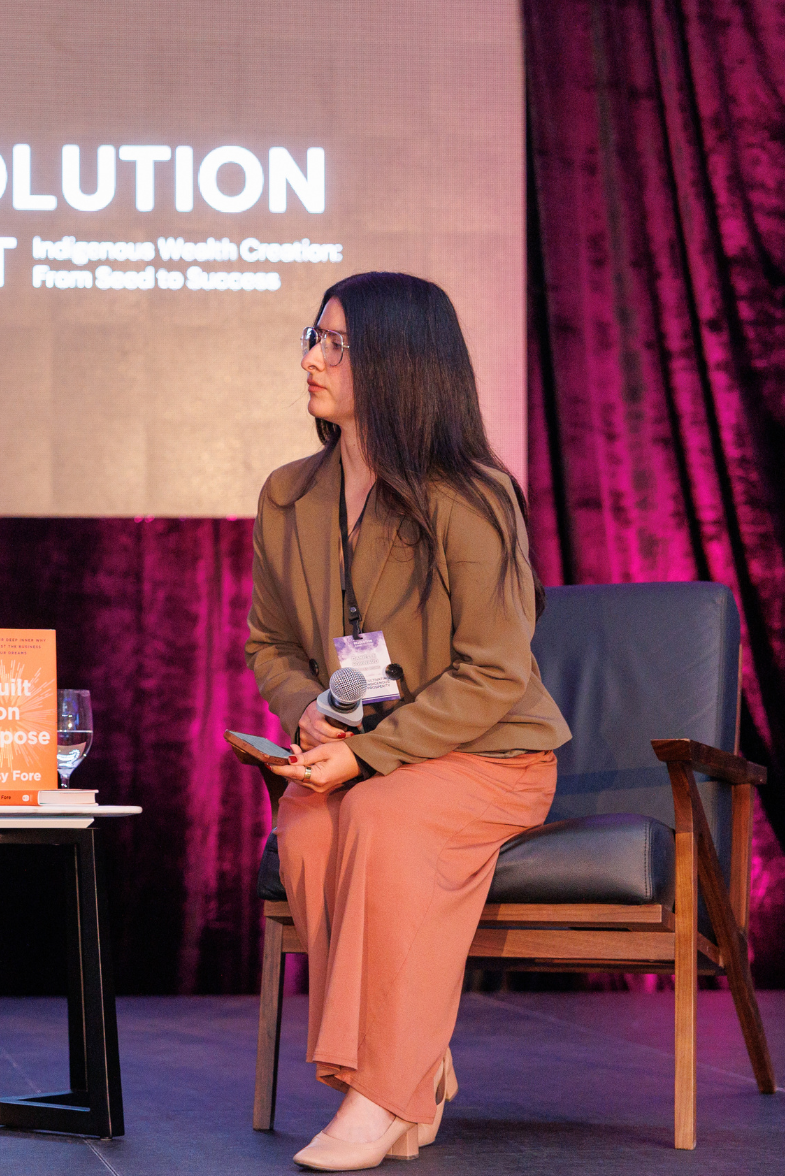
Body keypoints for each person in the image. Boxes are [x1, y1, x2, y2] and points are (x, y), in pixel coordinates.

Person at [244, 273, 571, 1171]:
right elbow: (268, 641)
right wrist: (310, 710)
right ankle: (412, 1066)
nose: (313, 357)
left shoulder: (471, 496)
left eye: (338, 344)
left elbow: (497, 674)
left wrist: (370, 758)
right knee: (307, 826)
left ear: (400, 363)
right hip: (371, 754)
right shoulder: (288, 495)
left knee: (380, 817)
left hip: (492, 757)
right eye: (314, 335)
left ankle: (378, 1092)